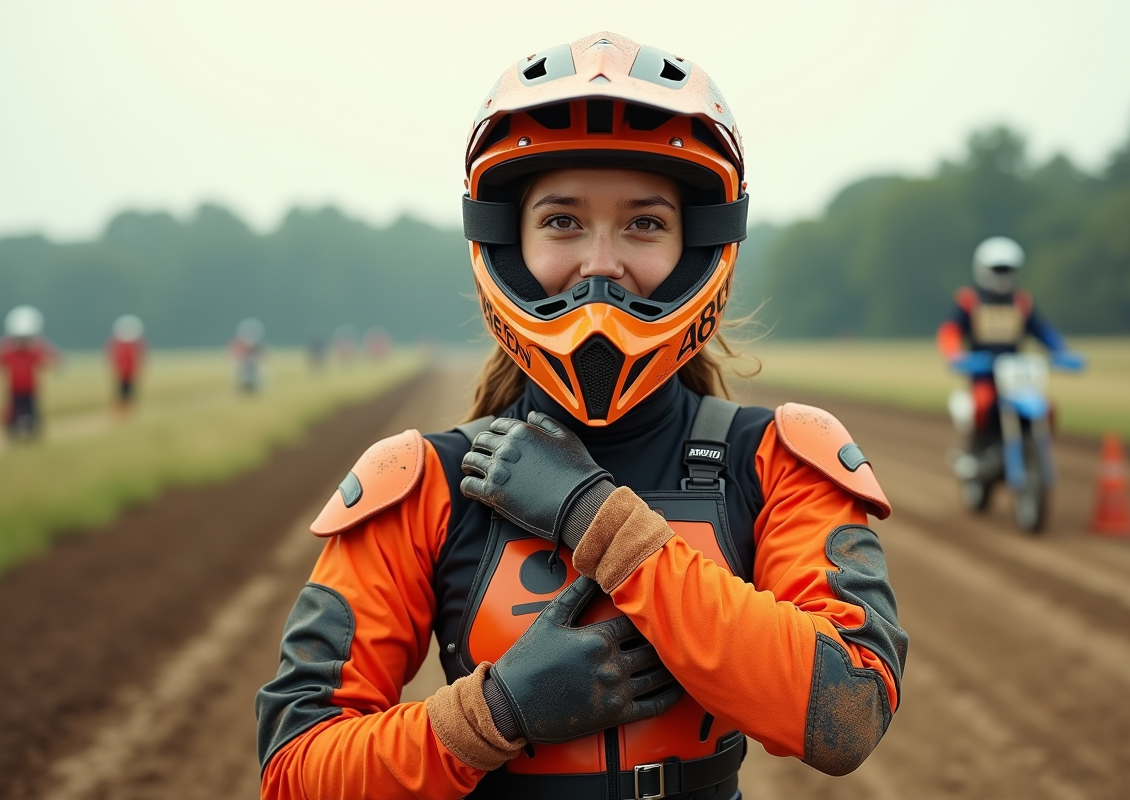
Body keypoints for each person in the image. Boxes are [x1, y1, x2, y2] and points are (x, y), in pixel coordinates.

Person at [257, 32, 907, 800]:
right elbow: (295, 771)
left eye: (644, 223)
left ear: (700, 246)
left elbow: (849, 711)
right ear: (508, 244)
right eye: (563, 222)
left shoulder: (774, 459)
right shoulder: (422, 483)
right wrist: (496, 712)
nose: (601, 262)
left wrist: (595, 517)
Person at [937, 236, 1072, 476]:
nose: (1003, 276)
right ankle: (976, 451)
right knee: (981, 405)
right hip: (984, 374)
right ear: (983, 270)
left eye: (1008, 270)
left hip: (1018, 377)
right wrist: (956, 355)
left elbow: (1042, 331)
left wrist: (1061, 351)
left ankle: (1033, 452)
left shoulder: (1021, 302)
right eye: (998, 269)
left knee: (1046, 408)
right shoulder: (969, 301)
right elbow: (950, 331)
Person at [0, 305, 58, 440]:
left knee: (33, 414)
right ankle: (13, 434)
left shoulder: (36, 350)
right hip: (14, 389)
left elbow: (53, 360)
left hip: (31, 389)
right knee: (12, 414)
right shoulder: (8, 350)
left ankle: (33, 435)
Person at [109, 314, 146, 412]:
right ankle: (121, 410)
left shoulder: (135, 346)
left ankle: (127, 410)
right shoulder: (120, 346)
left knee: (129, 392)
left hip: (130, 373)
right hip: (123, 373)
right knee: (121, 392)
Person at [231, 317, 266, 393]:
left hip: (251, 360)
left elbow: (261, 351)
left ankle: (251, 386)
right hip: (245, 360)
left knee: (252, 373)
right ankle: (245, 386)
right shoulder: (241, 342)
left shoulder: (256, 343)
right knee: (243, 374)